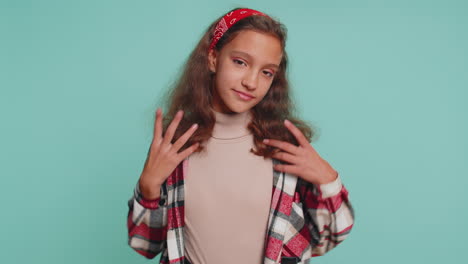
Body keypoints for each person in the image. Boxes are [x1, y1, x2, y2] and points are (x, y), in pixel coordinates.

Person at [126, 7, 355, 264]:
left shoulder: (284, 147)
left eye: (267, 72)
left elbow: (329, 237)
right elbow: (146, 244)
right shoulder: (177, 144)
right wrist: (148, 188)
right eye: (240, 62)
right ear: (213, 58)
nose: (251, 82)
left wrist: (328, 179)